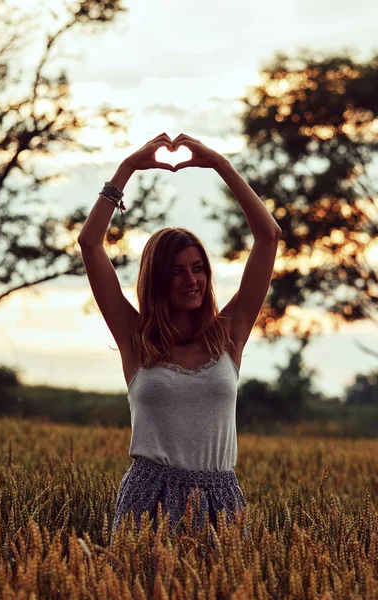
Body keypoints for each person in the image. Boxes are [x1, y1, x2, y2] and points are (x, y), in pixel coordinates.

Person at [78, 132, 282, 546]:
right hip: (147, 497)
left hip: (221, 499)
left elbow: (269, 237)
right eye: (175, 270)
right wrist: (127, 168)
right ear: (156, 278)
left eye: (197, 268)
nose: (190, 280)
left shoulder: (230, 333)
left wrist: (221, 164)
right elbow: (89, 243)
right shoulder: (136, 338)